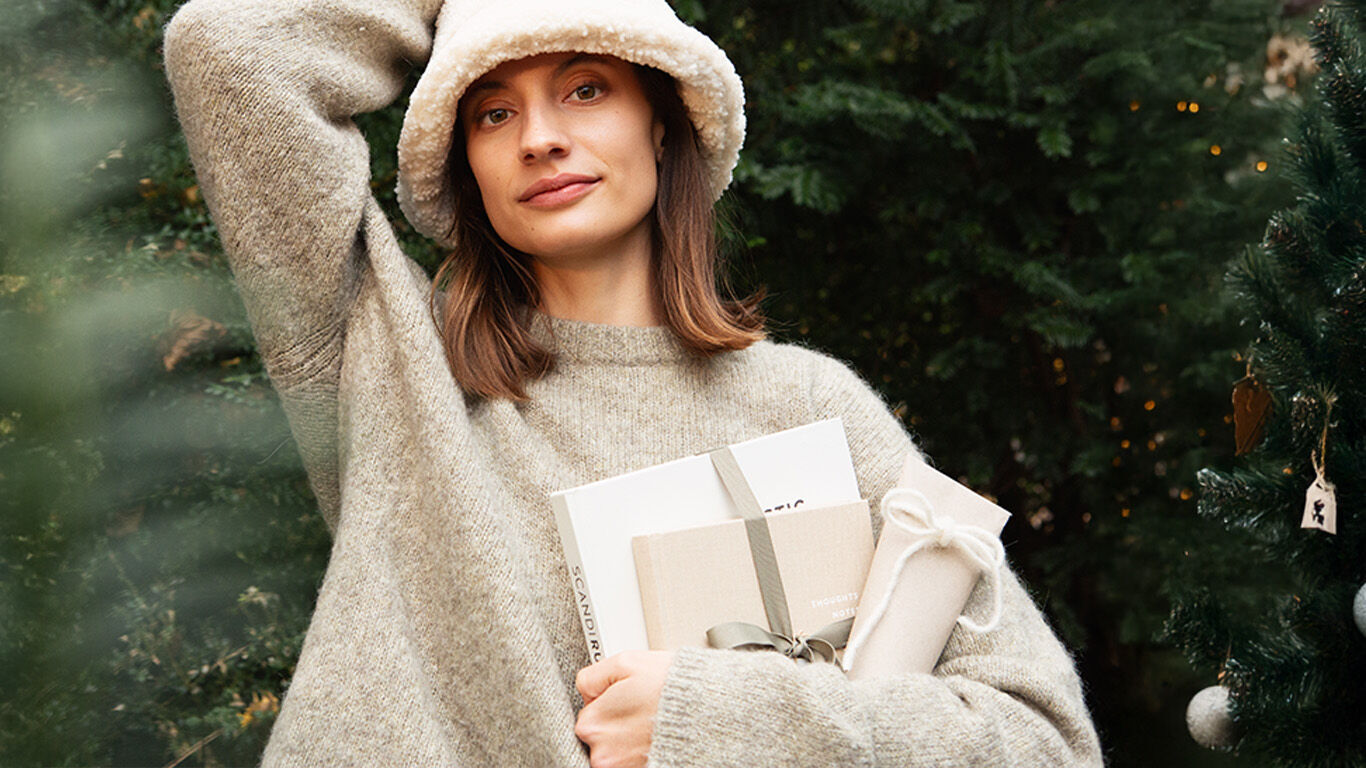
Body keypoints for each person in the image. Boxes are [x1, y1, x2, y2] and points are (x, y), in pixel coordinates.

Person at [163, 0, 1104, 765]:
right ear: (467, 167)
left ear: (662, 124)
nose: (539, 137)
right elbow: (229, 52)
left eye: (585, 88)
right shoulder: (396, 376)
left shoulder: (811, 407)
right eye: (492, 111)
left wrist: (730, 721)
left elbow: (1046, 743)